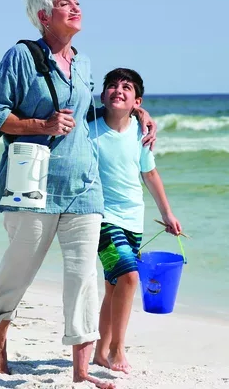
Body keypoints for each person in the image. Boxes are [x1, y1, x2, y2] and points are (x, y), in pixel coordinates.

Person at [0, 0, 157, 389]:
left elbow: (91, 107)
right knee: (18, 271)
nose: (76, 8)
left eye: (77, 2)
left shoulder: (84, 62)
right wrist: (40, 125)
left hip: (84, 187)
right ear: (44, 16)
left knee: (83, 277)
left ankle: (81, 369)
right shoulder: (20, 57)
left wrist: (141, 111)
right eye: (65, 4)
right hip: (32, 185)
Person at [89, 68, 182, 374]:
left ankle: (100, 352)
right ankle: (117, 348)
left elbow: (150, 173)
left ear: (136, 100)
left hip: (134, 220)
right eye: (112, 86)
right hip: (102, 219)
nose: (118, 90)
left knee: (115, 287)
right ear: (102, 96)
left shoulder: (141, 133)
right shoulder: (90, 127)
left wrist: (167, 213)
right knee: (130, 276)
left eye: (126, 88)